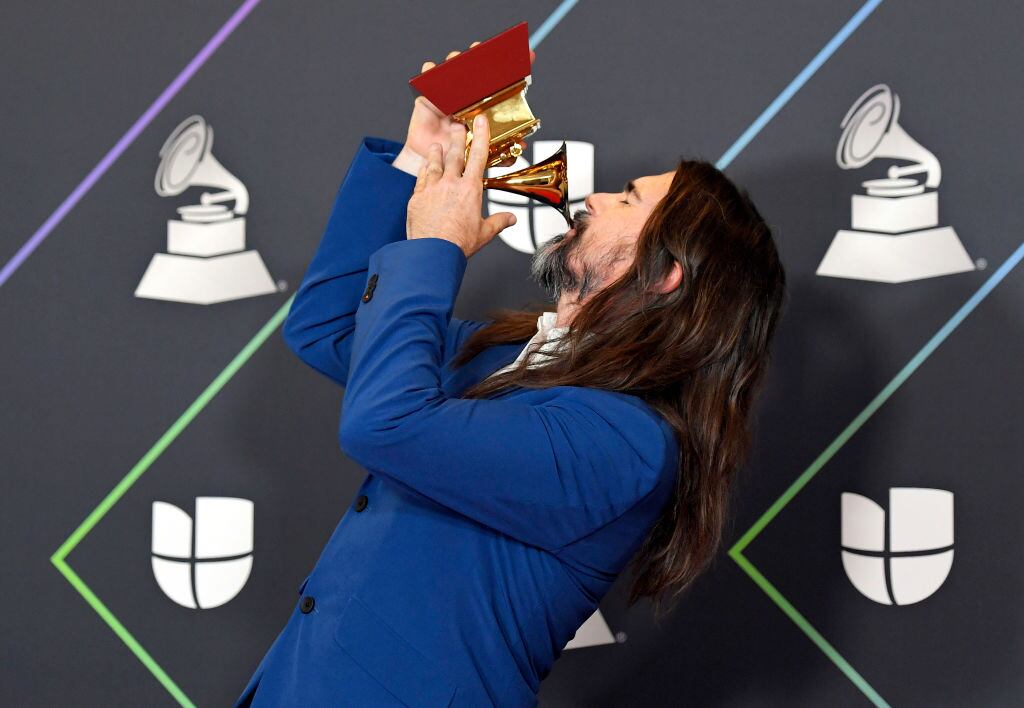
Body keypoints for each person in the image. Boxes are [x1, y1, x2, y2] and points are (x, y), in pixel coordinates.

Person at [236, 43, 786, 707]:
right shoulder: (508, 356)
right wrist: (421, 158)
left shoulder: (629, 445)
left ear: (667, 271)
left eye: (628, 199)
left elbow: (385, 424)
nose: (594, 195)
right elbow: (327, 326)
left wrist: (435, 247)